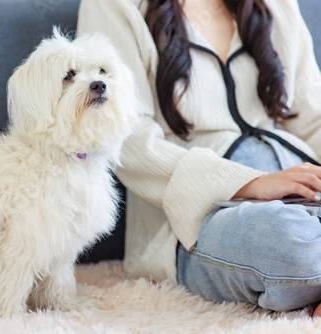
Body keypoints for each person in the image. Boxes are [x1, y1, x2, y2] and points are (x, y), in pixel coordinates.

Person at [77, 0, 321, 317]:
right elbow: (127, 139)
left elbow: (312, 117)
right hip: (195, 220)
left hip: (304, 190)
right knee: (287, 241)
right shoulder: (114, 6)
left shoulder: (278, 5)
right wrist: (249, 183)